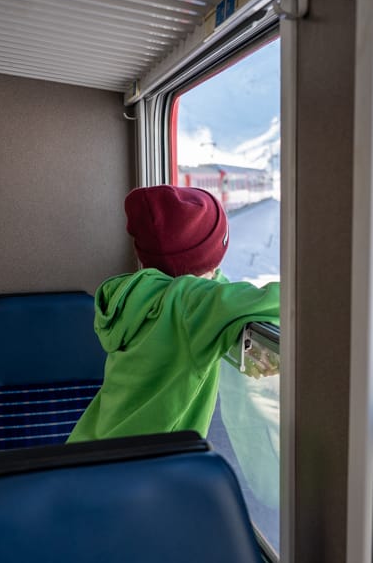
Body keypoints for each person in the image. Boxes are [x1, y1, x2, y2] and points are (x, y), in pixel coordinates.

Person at [68, 185, 280, 442]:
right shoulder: (189, 307)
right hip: (142, 467)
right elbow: (280, 302)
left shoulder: (134, 295)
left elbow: (214, 289)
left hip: (90, 452)